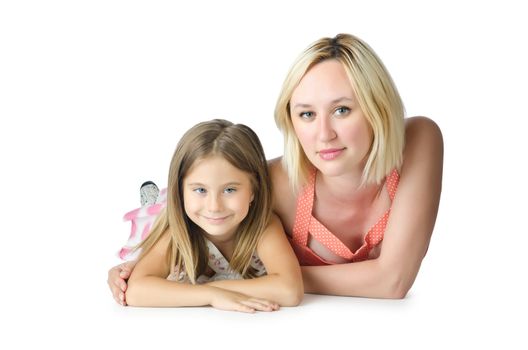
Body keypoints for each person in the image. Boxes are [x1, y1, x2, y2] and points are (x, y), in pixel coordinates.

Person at [108, 33, 443, 303]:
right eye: (307, 114)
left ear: (378, 107)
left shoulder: (418, 140)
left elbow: (393, 281)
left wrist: (276, 279)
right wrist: (142, 270)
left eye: (342, 110)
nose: (324, 135)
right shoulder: (270, 185)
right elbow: (196, 215)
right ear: (291, 121)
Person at [120, 119, 303, 312]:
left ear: (253, 191)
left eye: (230, 189)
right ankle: (153, 200)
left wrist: (203, 289)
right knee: (153, 218)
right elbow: (136, 290)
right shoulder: (176, 231)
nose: (214, 207)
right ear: (180, 191)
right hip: (165, 216)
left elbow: (290, 290)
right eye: (200, 189)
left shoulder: (264, 226)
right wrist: (212, 296)